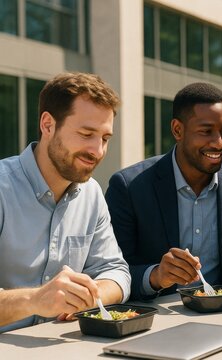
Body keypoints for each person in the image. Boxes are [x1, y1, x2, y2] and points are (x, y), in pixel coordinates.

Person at [105, 82, 222, 304]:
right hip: (156, 316)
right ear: (177, 130)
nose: (219, 143)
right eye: (206, 131)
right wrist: (156, 276)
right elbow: (111, 271)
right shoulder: (129, 187)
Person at [0, 72, 131, 332]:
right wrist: (35, 300)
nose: (98, 151)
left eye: (105, 138)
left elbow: (117, 272)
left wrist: (88, 297)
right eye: (86, 134)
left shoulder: (91, 193)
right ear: (48, 125)